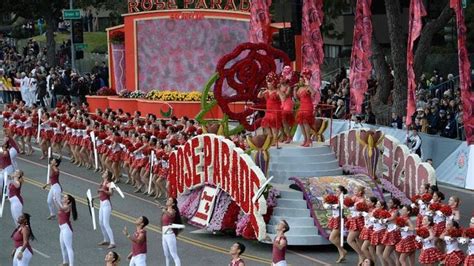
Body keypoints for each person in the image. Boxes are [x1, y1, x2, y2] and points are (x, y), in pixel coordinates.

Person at [258, 72, 282, 146]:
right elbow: (259, 96)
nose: (268, 85)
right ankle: (271, 137)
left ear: (273, 84)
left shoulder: (277, 91)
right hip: (268, 111)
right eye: (267, 84)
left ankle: (275, 141)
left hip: (275, 111)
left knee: (274, 127)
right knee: (266, 124)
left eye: (270, 83)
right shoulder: (267, 91)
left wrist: (280, 92)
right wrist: (261, 91)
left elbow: (283, 98)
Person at [53, 194, 78, 266]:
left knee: (68, 247)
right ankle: (65, 262)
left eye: (65, 197)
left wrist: (57, 200)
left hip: (66, 228)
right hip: (62, 228)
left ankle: (71, 264)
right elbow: (59, 208)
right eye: (63, 196)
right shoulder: (63, 206)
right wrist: (55, 200)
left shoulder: (68, 206)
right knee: (62, 246)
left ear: (68, 201)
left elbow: (61, 208)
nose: (63, 197)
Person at [295, 69, 316, 147]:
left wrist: (309, 85)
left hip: (308, 106)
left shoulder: (308, 88)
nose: (300, 81)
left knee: (305, 122)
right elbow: (297, 98)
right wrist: (294, 90)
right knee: (301, 123)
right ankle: (305, 139)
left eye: (301, 80)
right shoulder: (300, 88)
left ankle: (308, 139)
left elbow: (313, 94)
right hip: (302, 106)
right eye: (299, 80)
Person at [96, 170, 116, 249]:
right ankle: (106, 239)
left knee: (106, 223)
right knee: (101, 222)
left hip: (106, 204)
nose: (103, 173)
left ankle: (112, 242)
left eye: (105, 173)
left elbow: (111, 193)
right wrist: (94, 198)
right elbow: (101, 194)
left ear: (107, 176)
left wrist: (103, 190)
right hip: (102, 203)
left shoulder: (110, 183)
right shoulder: (102, 182)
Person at [161, 197, 182, 266]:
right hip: (164, 235)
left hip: (170, 235)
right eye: (168, 199)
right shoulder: (166, 210)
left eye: (170, 200)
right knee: (166, 254)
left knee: (174, 254)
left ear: (173, 204)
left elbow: (170, 215)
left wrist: (165, 211)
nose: (167, 201)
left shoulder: (173, 211)